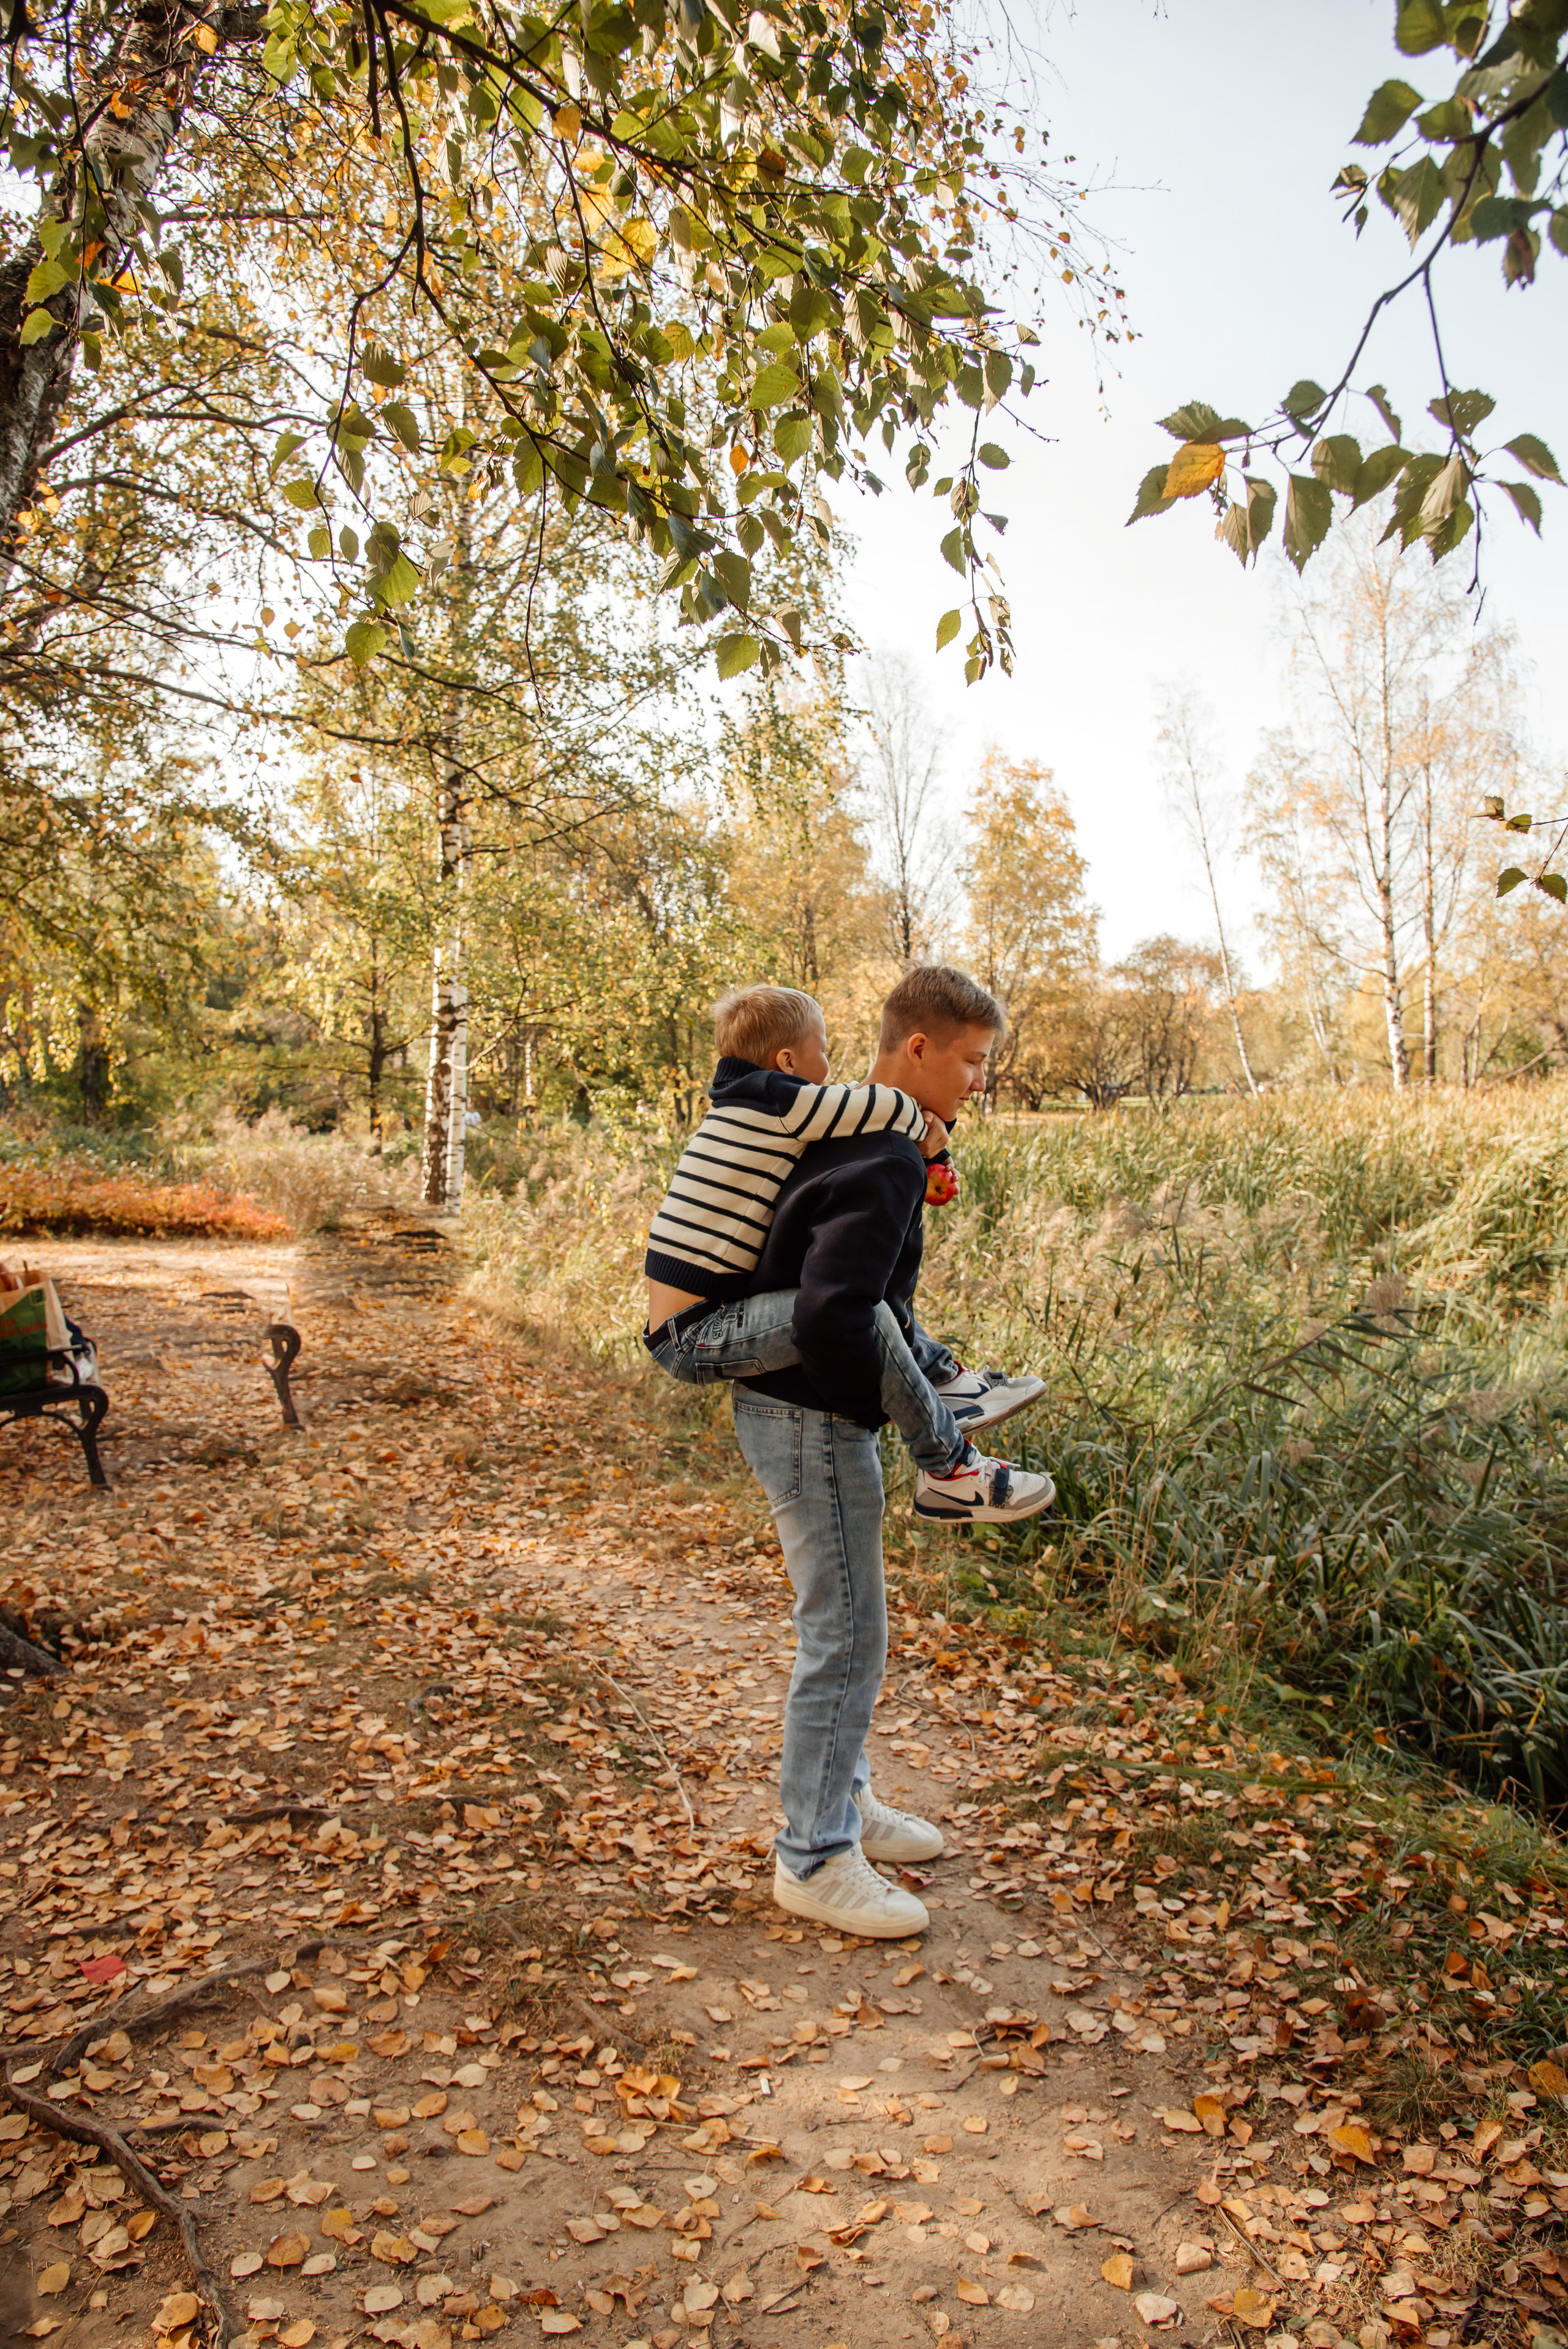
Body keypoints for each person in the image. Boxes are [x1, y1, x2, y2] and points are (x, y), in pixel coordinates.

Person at [734, 965, 1054, 1939]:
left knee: (852, 1631)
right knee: (844, 1638)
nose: (978, 1080)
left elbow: (861, 1293)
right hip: (809, 1416)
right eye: (971, 1060)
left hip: (801, 1411)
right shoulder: (883, 1153)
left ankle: (847, 1804)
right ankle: (816, 1856)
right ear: (917, 1049)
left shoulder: (852, 1130)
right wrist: (865, 1404)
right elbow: (836, 1309)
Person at [643, 982, 1047, 1519]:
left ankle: (945, 1378)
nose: (832, 1066)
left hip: (700, 1318)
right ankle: (949, 1465)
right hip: (693, 1333)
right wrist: (922, 1131)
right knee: (865, 1311)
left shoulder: (748, 1108)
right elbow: (868, 1102)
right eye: (824, 1049)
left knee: (869, 1305)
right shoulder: (777, 1102)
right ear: (786, 1061)